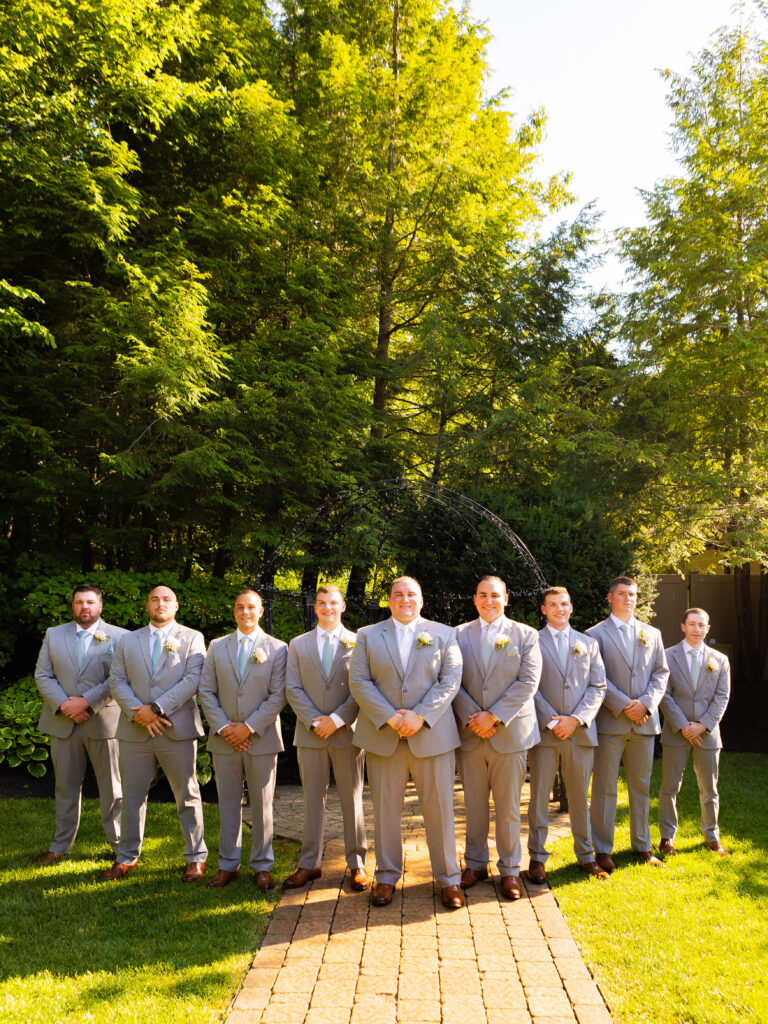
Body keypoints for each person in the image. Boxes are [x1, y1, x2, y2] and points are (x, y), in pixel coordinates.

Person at [349, 576, 464, 909]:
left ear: (421, 599)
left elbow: (450, 680)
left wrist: (420, 716)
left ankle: (448, 879)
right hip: (384, 736)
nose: (405, 599)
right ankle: (385, 876)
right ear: (389, 600)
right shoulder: (367, 636)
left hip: (432, 735)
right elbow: (359, 680)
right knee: (385, 811)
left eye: (411, 594)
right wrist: (390, 717)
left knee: (440, 810)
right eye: (398, 595)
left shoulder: (445, 634)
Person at [102, 585, 207, 882]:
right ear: (147, 606)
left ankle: (195, 857)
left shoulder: (193, 638)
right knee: (132, 796)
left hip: (177, 728)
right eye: (155, 599)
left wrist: (157, 709)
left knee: (187, 794)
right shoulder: (127, 640)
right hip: (135, 728)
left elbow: (193, 680)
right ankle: (127, 856)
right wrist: (139, 712)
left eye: (166, 599)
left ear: (176, 606)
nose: (160, 604)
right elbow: (117, 680)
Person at [454, 575, 542, 900]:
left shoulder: (526, 635)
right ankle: (475, 863)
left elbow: (528, 681)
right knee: (473, 806)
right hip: (470, 733)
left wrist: (493, 716)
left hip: (511, 735)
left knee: (508, 808)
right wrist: (473, 717)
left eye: (495, 595)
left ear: (506, 598)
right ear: (474, 599)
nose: (489, 601)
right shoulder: (457, 635)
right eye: (482, 595)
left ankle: (509, 870)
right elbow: (451, 680)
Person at [198, 589, 287, 890]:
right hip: (224, 740)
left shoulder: (277, 648)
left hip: (261, 738)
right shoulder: (217, 646)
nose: (245, 612)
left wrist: (247, 728)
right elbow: (206, 691)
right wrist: (225, 729)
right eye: (240, 607)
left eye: (251, 607)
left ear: (261, 611)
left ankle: (262, 865)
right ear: (233, 611)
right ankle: (228, 864)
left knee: (263, 805)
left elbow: (279, 695)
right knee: (227, 803)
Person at [283, 585, 368, 892]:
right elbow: (292, 688)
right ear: (314, 607)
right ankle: (309, 863)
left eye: (333, 602)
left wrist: (336, 719)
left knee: (352, 800)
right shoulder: (298, 644)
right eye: (322, 603)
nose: (327, 607)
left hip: (347, 733)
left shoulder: (359, 643)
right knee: (311, 801)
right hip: (310, 733)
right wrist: (315, 720)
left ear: (343, 606)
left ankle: (357, 864)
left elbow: (363, 688)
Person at [33, 585, 126, 863]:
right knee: (65, 787)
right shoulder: (53, 634)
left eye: (90, 602)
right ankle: (60, 846)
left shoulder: (121, 637)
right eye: (78, 602)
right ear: (72, 606)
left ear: (100, 606)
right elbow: (42, 674)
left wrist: (86, 702)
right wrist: (65, 705)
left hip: (104, 722)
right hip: (63, 722)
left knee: (113, 789)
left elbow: (118, 678)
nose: (84, 607)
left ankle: (121, 848)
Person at [587, 576, 669, 871]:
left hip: (645, 723)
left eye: (632, 594)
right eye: (621, 594)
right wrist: (625, 705)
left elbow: (661, 672)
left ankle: (642, 846)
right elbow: (596, 677)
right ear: (610, 597)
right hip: (611, 722)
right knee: (605, 788)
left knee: (641, 787)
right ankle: (603, 850)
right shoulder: (594, 634)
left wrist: (646, 703)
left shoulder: (652, 633)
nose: (628, 599)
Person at [527, 587, 608, 883]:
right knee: (538, 798)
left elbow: (598, 686)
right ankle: (537, 857)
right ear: (543, 610)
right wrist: (553, 721)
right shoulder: (531, 641)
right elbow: (529, 686)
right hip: (545, 734)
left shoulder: (588, 643)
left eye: (564, 604)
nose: (559, 609)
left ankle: (585, 855)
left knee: (578, 797)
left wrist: (575, 719)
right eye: (552, 605)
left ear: (571, 607)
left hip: (580, 732)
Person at [658, 607, 731, 857]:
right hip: (675, 732)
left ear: (707, 628)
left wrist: (703, 725)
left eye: (701, 625)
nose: (696, 629)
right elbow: (664, 695)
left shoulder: (720, 660)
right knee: (669, 787)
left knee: (709, 788)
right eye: (692, 624)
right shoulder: (667, 656)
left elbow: (722, 697)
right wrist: (683, 726)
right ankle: (667, 837)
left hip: (708, 734)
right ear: (683, 627)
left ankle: (712, 835)